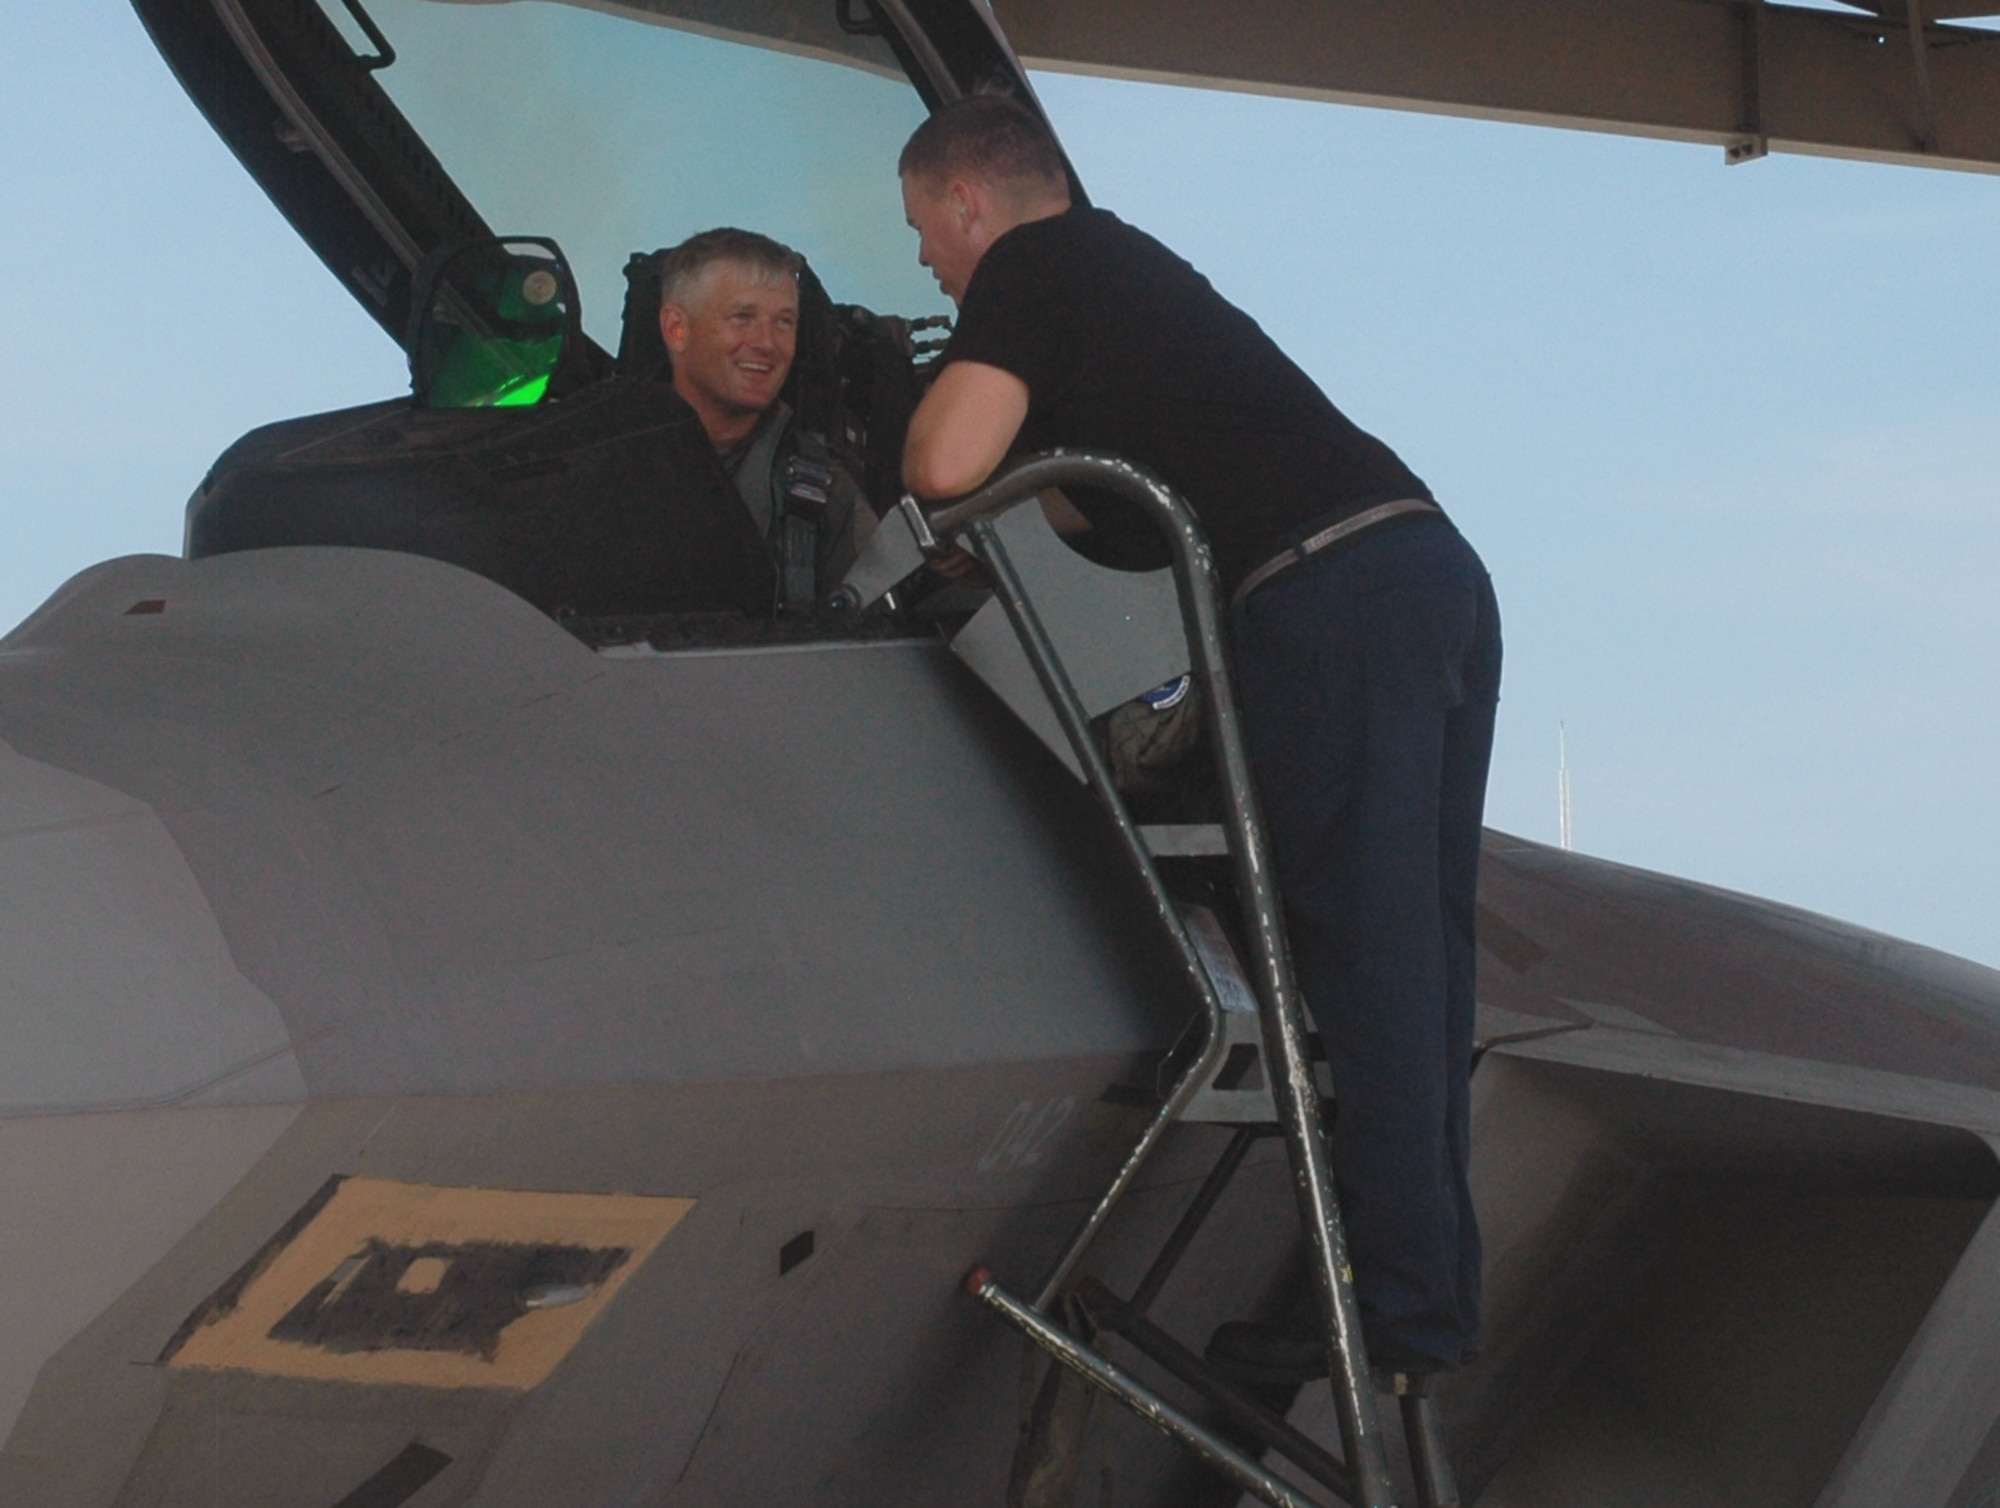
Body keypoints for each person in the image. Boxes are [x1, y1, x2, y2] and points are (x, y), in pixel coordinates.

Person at [897, 96, 1501, 1380]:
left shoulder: (1031, 262)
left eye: (920, 233)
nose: (924, 267)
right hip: (1422, 571)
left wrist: (909, 420)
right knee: (1421, 965)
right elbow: (1103, 517)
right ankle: (1424, 1294)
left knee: (1364, 964)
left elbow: (946, 464)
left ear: (964, 202)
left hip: (1326, 605)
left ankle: (1391, 1310)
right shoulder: (1126, 271)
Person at [656, 228, 874, 613]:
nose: (767, 343)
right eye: (742, 317)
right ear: (677, 329)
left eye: (784, 322)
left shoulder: (824, 494)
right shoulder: (597, 470)